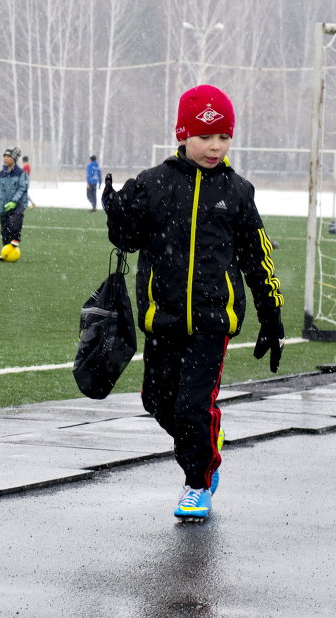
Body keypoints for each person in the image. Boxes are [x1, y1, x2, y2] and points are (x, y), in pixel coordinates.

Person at [103, 84, 284, 522]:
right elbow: (127, 241)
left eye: (223, 137)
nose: (215, 146)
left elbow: (257, 255)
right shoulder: (153, 184)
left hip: (211, 321)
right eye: (206, 137)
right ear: (183, 135)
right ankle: (205, 440)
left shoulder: (238, 191)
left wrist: (271, 313)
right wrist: (118, 214)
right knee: (157, 402)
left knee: (191, 407)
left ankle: (197, 483)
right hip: (161, 319)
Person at [0, 147, 29, 260]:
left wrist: (14, 201)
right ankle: (6, 253)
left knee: (14, 222)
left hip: (18, 205)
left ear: (14, 159)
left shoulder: (21, 173)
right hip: (3, 205)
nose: (5, 158)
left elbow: (23, 188)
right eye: (4, 156)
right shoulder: (0, 175)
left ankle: (16, 239)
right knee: (4, 231)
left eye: (8, 156)